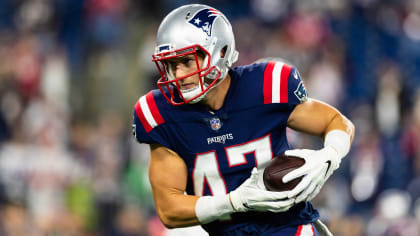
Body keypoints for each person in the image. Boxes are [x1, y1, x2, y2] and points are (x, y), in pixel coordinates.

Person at [132, 4, 355, 236]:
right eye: (171, 65)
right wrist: (234, 201)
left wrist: (329, 157)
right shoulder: (161, 113)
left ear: (220, 52)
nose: (178, 75)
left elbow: (337, 122)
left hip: (289, 229)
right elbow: (169, 209)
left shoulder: (265, 85)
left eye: (187, 62)